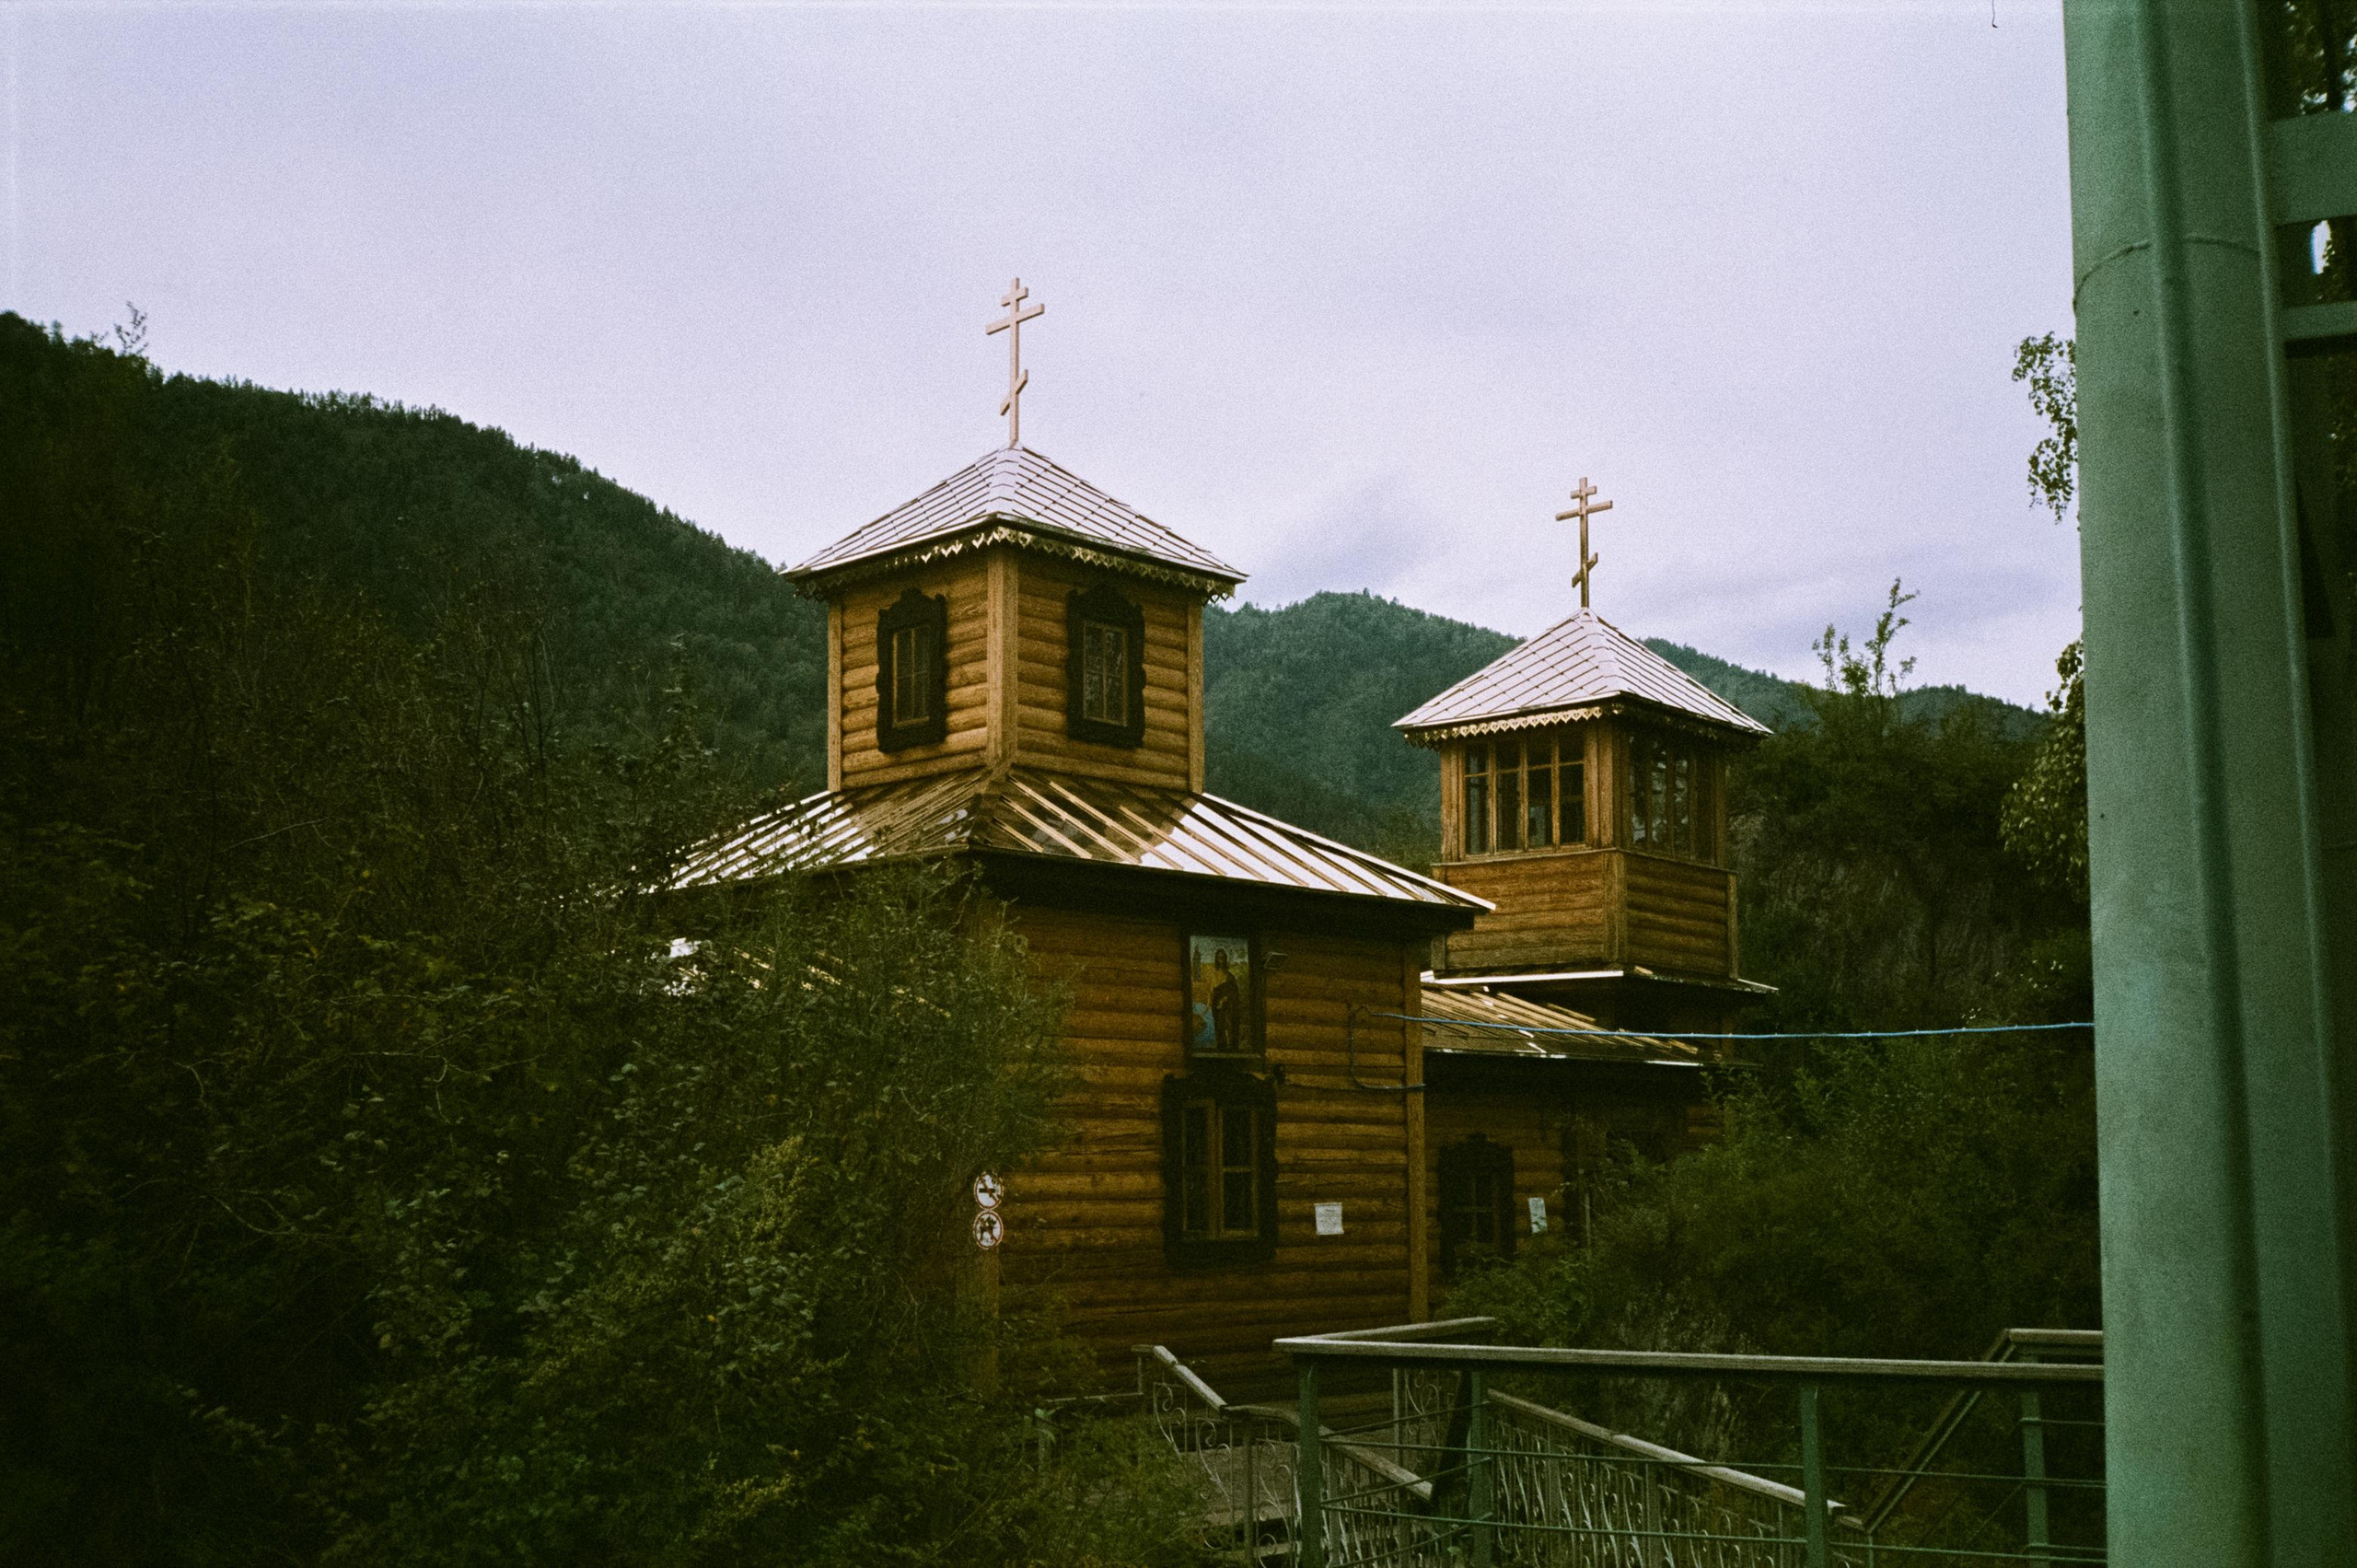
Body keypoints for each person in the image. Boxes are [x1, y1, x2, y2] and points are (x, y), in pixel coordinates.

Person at [1210, 948, 1242, 1052]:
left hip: (1228, 1006)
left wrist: (1225, 999)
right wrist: (1210, 1003)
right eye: (1219, 958)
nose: (1221, 960)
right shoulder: (1213, 974)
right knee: (1219, 1027)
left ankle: (1231, 1048)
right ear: (1216, 959)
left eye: (1223, 958)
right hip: (1216, 1006)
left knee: (1228, 1026)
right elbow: (1211, 990)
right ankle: (1221, 1048)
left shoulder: (1229, 976)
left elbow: (1233, 992)